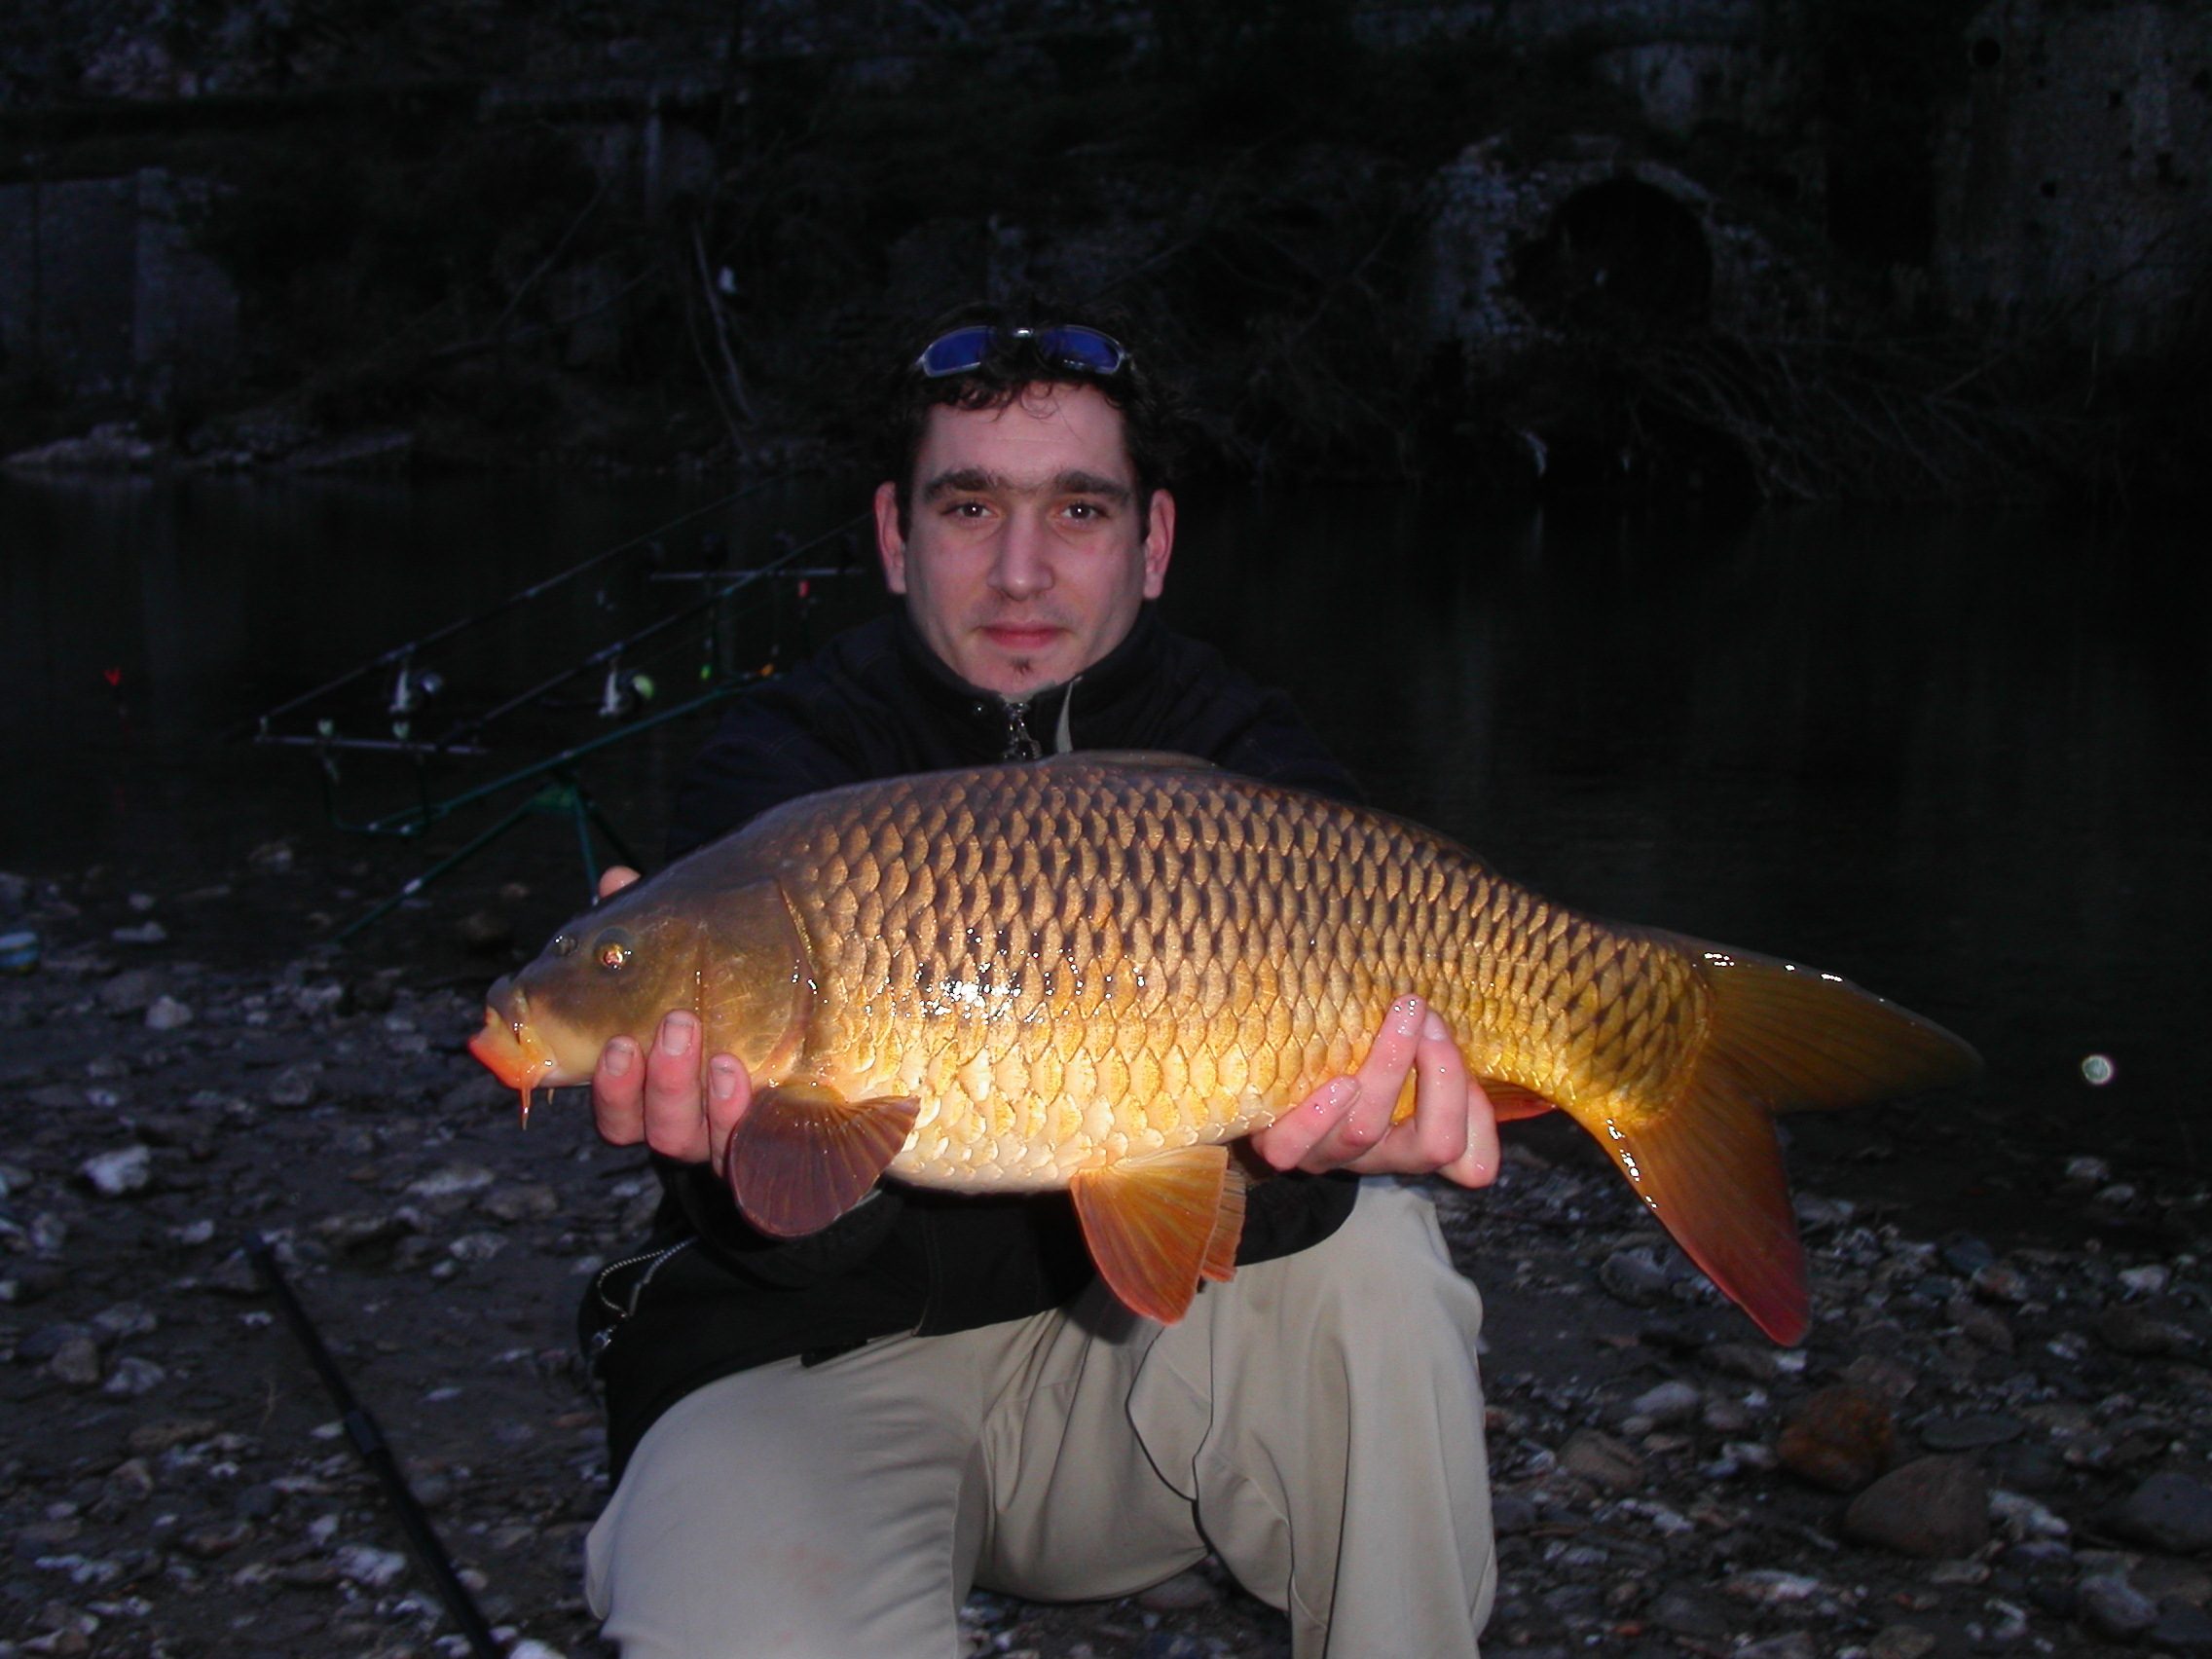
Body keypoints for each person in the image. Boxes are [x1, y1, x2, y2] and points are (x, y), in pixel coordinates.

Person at [577, 302, 1500, 1658]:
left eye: (1077, 511)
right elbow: (772, 1241)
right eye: (967, 508)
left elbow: (1283, 1209)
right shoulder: (779, 774)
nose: (1020, 571)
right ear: (895, 537)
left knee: (1379, 1266)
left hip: (1129, 1388)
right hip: (810, 1371)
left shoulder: (1242, 756)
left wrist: (1329, 1152)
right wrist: (752, 1151)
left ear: (1156, 542)